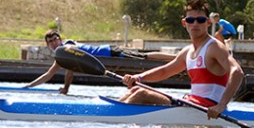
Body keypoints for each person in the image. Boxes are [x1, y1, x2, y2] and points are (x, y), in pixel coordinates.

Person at [118, 0, 245, 120]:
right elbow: (165, 71)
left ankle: (113, 119)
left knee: (142, 94)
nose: (195, 24)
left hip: (207, 109)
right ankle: (113, 112)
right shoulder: (187, 51)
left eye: (200, 20)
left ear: (208, 22)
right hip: (191, 103)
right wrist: (138, 77)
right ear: (184, 23)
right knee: (135, 89)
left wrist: (221, 105)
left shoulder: (215, 47)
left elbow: (237, 72)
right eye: (191, 20)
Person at [24, 30, 169, 93]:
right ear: (47, 45)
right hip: (106, 57)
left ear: (60, 40)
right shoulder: (61, 58)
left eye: (56, 39)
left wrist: (66, 89)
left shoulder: (67, 46)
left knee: (144, 57)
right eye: (50, 42)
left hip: (110, 52)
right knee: (143, 57)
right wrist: (28, 87)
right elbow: (48, 75)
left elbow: (70, 69)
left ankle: (175, 59)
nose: (54, 43)